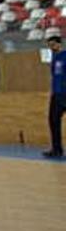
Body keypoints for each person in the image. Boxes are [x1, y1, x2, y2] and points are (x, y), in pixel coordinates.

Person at [44, 29, 65, 158]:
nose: (51, 48)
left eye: (53, 45)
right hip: (56, 95)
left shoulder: (65, 55)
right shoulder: (54, 58)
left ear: (59, 44)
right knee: (53, 121)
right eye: (49, 46)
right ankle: (57, 149)